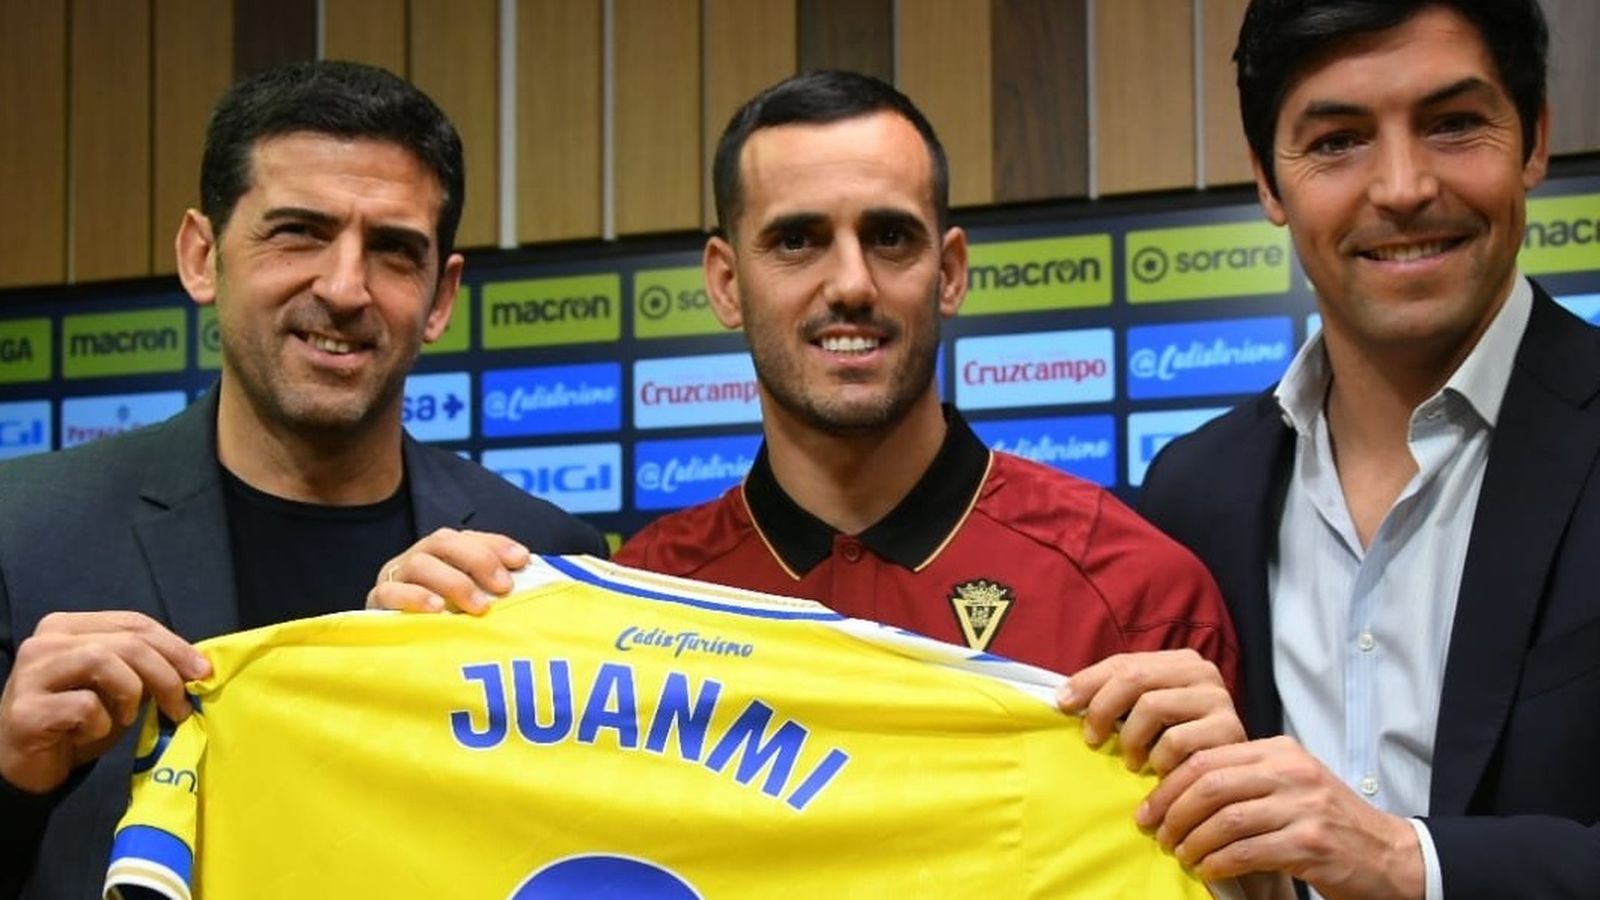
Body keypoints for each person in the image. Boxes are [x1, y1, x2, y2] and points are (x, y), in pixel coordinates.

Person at [371, 71, 1245, 784]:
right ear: (724, 281)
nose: (851, 283)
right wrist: (408, 672)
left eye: (891, 237)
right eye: (797, 241)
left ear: (948, 272)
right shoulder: (626, 604)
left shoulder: (1138, 597)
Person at [0, 60, 605, 899]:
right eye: (299, 233)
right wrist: (13, 786)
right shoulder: (21, 535)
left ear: (441, 297)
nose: (345, 287)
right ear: (202, 256)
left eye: (394, 250)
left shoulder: (544, 558)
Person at [1136, 1, 1600, 897]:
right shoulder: (1192, 491)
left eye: (1454, 124)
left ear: (1535, 141)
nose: (1401, 187)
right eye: (1338, 140)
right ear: (1270, 185)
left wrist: (1409, 863)